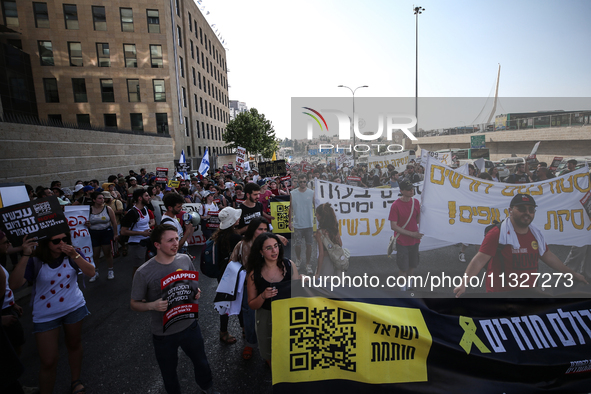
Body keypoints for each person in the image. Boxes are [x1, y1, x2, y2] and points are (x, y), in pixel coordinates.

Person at [130, 225, 218, 394]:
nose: (176, 243)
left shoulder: (184, 259)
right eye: (170, 240)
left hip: (190, 325)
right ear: (157, 244)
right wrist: (152, 305)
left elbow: (193, 284)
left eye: (177, 238)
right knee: (168, 372)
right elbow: (134, 303)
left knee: (201, 362)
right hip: (163, 334)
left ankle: (207, 388)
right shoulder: (143, 272)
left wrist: (196, 292)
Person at [9, 233, 95, 394]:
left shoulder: (72, 254)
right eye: (56, 241)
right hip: (45, 315)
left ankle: (75, 381)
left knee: (74, 345)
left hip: (74, 308)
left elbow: (91, 272)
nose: (62, 243)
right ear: (46, 243)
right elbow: (14, 284)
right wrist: (26, 254)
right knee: (48, 361)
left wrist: (74, 254)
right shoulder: (35, 260)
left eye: (65, 240)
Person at [454, 194, 588, 296]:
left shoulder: (536, 234)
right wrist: (463, 283)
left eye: (531, 210)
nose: (527, 213)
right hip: (501, 295)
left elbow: (548, 257)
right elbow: (479, 260)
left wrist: (572, 274)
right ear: (510, 210)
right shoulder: (497, 233)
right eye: (522, 209)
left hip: (530, 293)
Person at [246, 233, 299, 367]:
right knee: (268, 349)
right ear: (261, 252)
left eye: (276, 246)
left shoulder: (289, 265)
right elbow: (252, 304)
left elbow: (299, 293)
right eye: (269, 248)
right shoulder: (254, 274)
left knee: (290, 346)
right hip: (266, 316)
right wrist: (263, 296)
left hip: (288, 314)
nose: (274, 250)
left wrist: (303, 281)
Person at [229, 217, 269, 360]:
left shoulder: (270, 243)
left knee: (268, 316)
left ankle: (269, 345)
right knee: (250, 316)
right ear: (253, 230)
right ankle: (250, 344)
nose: (263, 232)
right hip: (247, 287)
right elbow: (232, 264)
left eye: (265, 229)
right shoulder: (241, 245)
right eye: (260, 229)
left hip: (268, 286)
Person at [211, 207, 243, 345]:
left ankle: (224, 331)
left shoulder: (219, 236)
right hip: (235, 274)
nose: (239, 218)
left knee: (224, 302)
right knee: (241, 300)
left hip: (222, 274)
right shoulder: (236, 237)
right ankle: (244, 329)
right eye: (236, 216)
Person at [389, 181, 423, 290]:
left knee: (412, 265)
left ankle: (409, 284)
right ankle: (402, 288)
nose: (411, 191)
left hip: (414, 241)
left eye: (412, 189)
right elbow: (393, 226)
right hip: (402, 241)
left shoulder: (416, 202)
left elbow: (417, 220)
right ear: (401, 191)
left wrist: (423, 212)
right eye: (408, 189)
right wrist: (412, 234)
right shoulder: (396, 205)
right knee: (403, 267)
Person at [86, 191, 118, 281]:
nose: (102, 200)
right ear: (94, 200)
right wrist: (87, 224)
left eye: (103, 198)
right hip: (94, 233)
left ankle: (110, 270)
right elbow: (85, 223)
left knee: (107, 252)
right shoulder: (89, 210)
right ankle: (95, 272)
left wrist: (115, 234)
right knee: (95, 254)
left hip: (106, 232)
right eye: (100, 198)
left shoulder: (108, 209)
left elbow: (114, 222)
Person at [121, 189, 153, 277]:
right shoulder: (132, 213)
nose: (149, 197)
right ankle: (136, 287)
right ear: (140, 198)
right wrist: (142, 233)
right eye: (146, 196)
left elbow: (146, 224)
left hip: (147, 241)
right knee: (139, 268)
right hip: (137, 244)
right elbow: (123, 231)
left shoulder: (146, 208)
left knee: (148, 266)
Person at [288, 174, 315, 274]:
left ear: (307, 181)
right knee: (297, 245)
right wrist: (289, 221)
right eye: (301, 181)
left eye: (304, 181)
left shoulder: (312, 193)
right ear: (297, 182)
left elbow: (316, 206)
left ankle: (308, 264)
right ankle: (298, 260)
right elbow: (290, 207)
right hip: (298, 223)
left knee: (309, 245)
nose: (303, 183)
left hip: (309, 224)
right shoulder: (293, 193)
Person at [314, 203, 345, 276]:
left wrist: (317, 273)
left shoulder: (320, 233)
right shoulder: (334, 228)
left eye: (317, 214)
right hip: (337, 259)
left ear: (321, 217)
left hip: (326, 261)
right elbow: (340, 244)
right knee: (338, 284)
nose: (316, 216)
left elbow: (321, 254)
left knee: (326, 285)